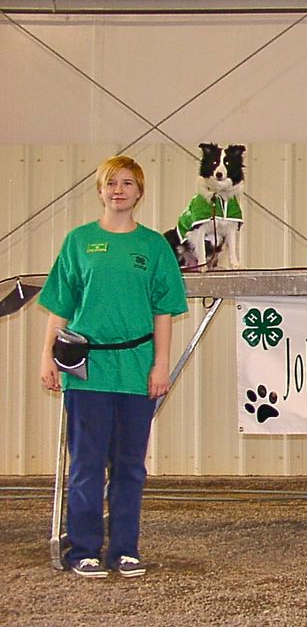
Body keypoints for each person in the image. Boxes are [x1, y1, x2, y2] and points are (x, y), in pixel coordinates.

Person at [38, 155, 188, 579]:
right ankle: (83, 548)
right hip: (87, 370)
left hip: (136, 368)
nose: (118, 190)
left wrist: (161, 366)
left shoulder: (153, 247)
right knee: (86, 462)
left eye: (127, 183)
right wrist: (47, 355)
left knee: (129, 465)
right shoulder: (79, 242)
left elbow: (164, 310)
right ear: (100, 191)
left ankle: (124, 548)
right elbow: (60, 305)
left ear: (139, 192)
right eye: (111, 183)